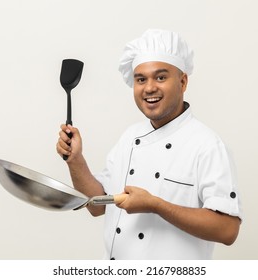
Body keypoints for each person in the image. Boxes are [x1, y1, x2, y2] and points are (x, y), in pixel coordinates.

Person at [56, 29, 242, 260]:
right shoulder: (129, 137)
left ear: (183, 81)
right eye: (141, 79)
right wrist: (76, 160)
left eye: (161, 77)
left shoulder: (207, 146)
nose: (149, 88)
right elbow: (98, 205)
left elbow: (227, 229)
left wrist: (156, 205)